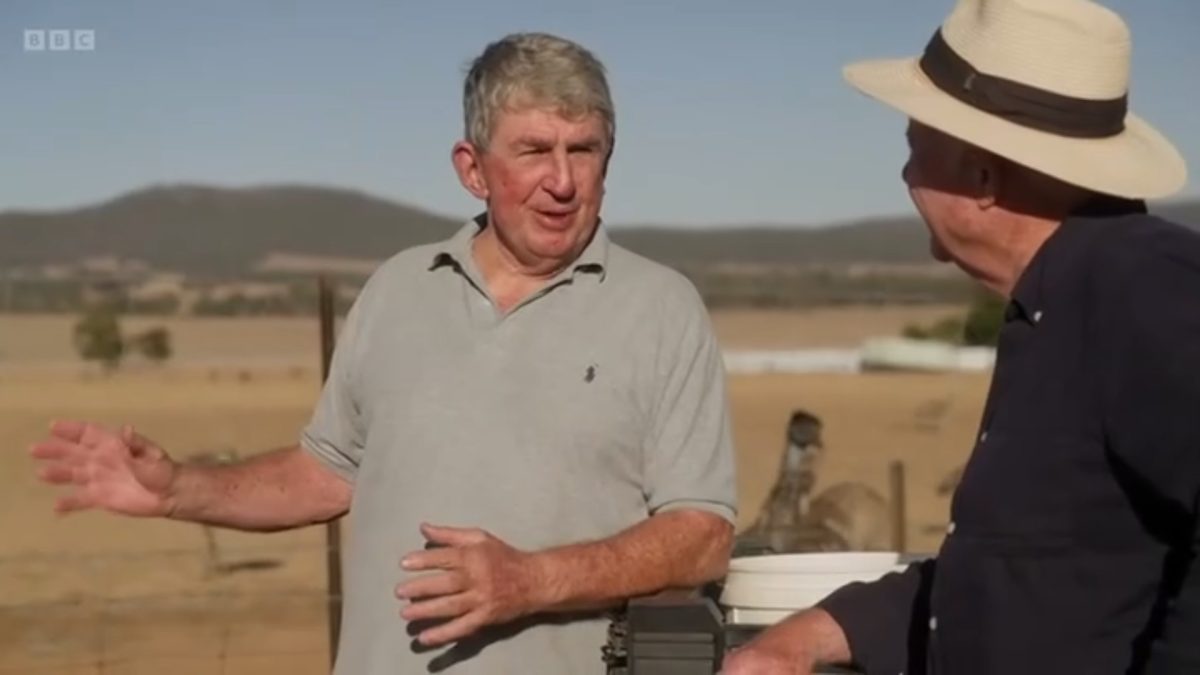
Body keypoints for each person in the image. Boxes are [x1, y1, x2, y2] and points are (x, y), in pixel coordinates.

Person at [30, 32, 738, 674]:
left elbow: (701, 536)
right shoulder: (399, 288)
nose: (562, 180)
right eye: (533, 151)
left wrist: (532, 579)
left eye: (582, 150)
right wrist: (180, 487)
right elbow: (327, 473)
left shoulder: (661, 309)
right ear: (473, 168)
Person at [723, 0, 1199, 673]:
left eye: (916, 144)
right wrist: (812, 633)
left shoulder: (1141, 284)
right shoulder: (1054, 306)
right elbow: (1015, 580)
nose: (906, 175)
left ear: (980, 178)